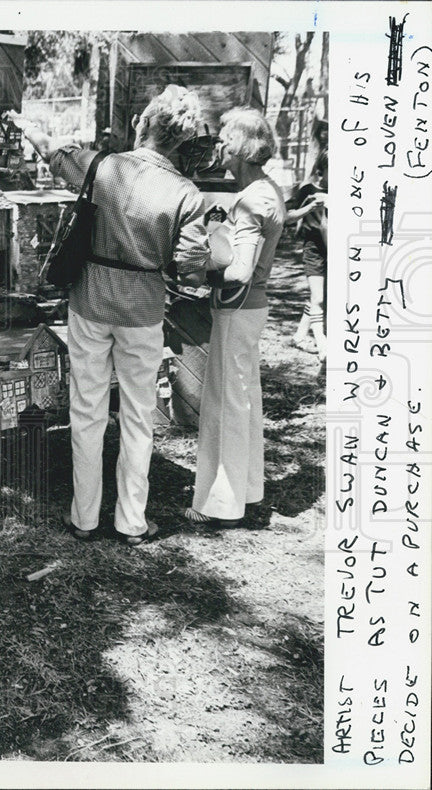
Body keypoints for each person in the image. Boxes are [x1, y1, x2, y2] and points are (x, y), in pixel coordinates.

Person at [8, 85, 211, 546]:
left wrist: (29, 128)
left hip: (90, 302)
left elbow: (55, 154)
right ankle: (132, 522)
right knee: (139, 415)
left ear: (144, 123)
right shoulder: (187, 194)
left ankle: (84, 517)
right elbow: (191, 263)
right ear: (180, 140)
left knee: (87, 410)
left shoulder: (103, 166)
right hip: (143, 311)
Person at [184, 109, 287, 528]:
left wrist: (197, 273)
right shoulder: (268, 190)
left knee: (226, 404)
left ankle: (220, 505)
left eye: (225, 139)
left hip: (237, 308)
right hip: (250, 310)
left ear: (243, 147)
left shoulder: (250, 200)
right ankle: (244, 493)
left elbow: (240, 270)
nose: (219, 146)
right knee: (241, 401)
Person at [286, 151, 327, 360]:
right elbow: (288, 217)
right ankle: (323, 346)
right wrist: (311, 206)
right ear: (322, 171)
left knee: (319, 296)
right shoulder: (309, 191)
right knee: (319, 296)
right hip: (315, 248)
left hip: (334, 248)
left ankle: (300, 336)